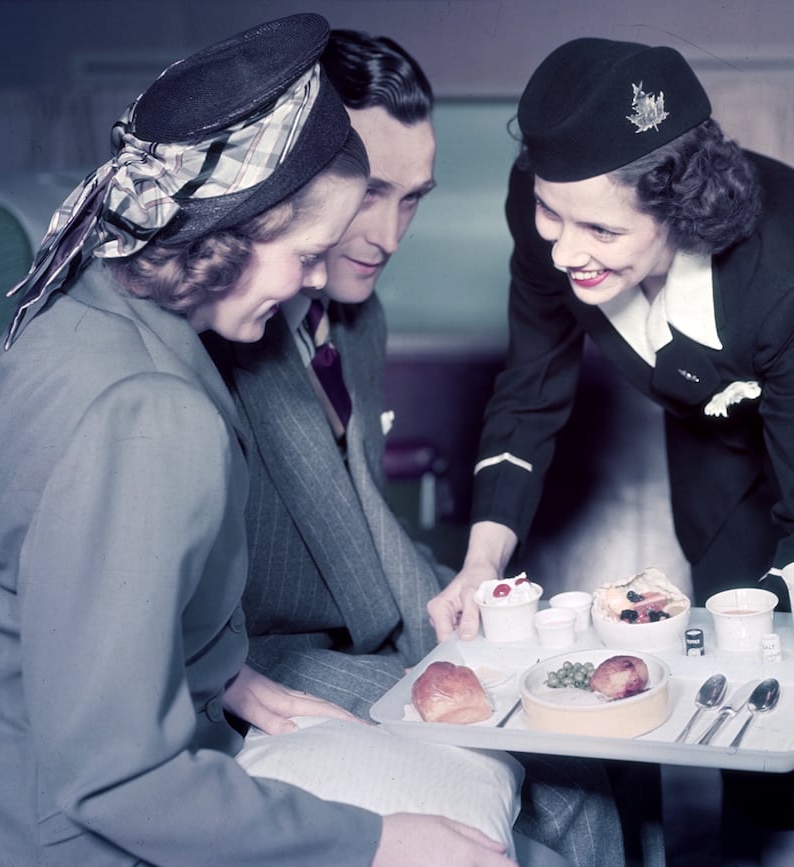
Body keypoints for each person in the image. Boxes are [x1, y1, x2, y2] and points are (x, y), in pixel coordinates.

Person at [0, 15, 515, 867]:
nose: (320, 278)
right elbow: (118, 782)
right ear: (234, 223)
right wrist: (376, 841)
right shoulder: (155, 415)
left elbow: (45, 596)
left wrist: (222, 676)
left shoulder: (68, 317)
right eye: (309, 252)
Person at [427, 37, 794, 865]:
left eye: (599, 228)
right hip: (714, 417)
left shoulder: (792, 265)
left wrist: (782, 645)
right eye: (549, 215)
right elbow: (531, 390)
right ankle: (765, 834)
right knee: (729, 602)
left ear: (680, 207)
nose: (565, 249)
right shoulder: (555, 212)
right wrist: (478, 561)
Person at [204, 28, 624, 866]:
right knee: (575, 772)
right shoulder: (224, 323)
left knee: (609, 743)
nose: (390, 234)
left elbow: (359, 504)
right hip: (262, 651)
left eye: (414, 198)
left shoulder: (356, 316)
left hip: (358, 626)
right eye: (370, 193)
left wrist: (473, 607)